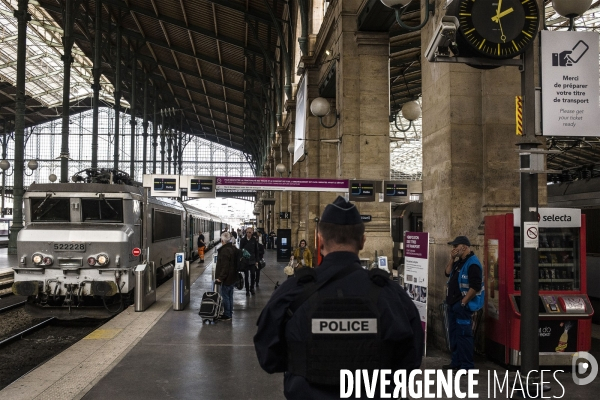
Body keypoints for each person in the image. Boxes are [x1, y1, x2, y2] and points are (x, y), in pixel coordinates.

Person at [254, 196, 424, 399]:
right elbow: (411, 360)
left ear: (320, 240)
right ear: (362, 241)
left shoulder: (292, 293)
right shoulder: (391, 295)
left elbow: (268, 358)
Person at [444, 236, 484, 371]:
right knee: (454, 335)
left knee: (464, 336)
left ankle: (467, 366)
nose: (454, 249)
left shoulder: (473, 263)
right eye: (453, 247)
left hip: (462, 306)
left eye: (456, 246)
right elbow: (447, 273)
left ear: (465, 247)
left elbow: (475, 286)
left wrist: (463, 302)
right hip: (452, 304)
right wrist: (452, 258)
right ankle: (456, 362)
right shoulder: (459, 262)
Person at [214, 232, 237, 321]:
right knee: (230, 296)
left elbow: (225, 267)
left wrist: (220, 278)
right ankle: (229, 313)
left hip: (227, 278)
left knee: (226, 296)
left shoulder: (224, 251)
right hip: (233, 277)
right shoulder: (232, 248)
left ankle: (227, 314)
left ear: (222, 240)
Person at [239, 227, 259, 296]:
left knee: (253, 274)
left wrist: (257, 260)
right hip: (245, 261)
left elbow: (256, 251)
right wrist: (241, 259)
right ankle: (247, 290)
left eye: (250, 232)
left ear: (252, 233)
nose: (248, 234)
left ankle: (252, 288)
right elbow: (240, 250)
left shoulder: (254, 240)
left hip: (252, 261)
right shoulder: (243, 240)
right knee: (246, 276)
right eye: (247, 232)